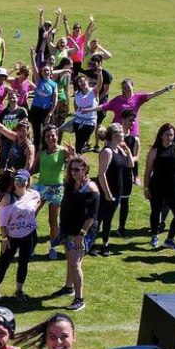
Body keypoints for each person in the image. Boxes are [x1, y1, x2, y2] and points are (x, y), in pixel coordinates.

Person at [56, 156, 99, 312]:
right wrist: (62, 229)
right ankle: (68, 287)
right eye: (71, 169)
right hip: (68, 228)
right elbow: (65, 206)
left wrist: (81, 234)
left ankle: (79, 299)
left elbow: (91, 216)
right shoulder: (70, 184)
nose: (73, 172)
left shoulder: (91, 189)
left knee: (75, 262)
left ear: (85, 170)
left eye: (77, 169)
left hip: (83, 231)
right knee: (69, 257)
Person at [0, 169, 42, 300]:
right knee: (4, 263)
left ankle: (19, 291)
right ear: (14, 182)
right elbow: (2, 222)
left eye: (23, 180)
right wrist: (4, 238)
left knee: (23, 262)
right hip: (11, 237)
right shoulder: (8, 199)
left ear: (28, 182)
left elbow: (36, 205)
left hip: (29, 235)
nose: (20, 183)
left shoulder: (34, 195)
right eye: (17, 180)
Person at [143, 123, 175, 250]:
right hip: (157, 186)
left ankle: (170, 239)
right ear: (161, 136)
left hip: (174, 186)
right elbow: (147, 171)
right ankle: (154, 236)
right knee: (156, 212)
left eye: (172, 135)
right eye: (167, 135)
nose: (169, 137)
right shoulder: (155, 151)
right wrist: (146, 188)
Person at [34, 124, 73, 260]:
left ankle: (53, 248)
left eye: (53, 135)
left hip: (57, 188)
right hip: (41, 187)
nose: (51, 138)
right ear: (44, 138)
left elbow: (74, 166)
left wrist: (72, 155)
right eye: (48, 136)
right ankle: (31, 244)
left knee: (52, 220)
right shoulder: (41, 153)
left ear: (57, 136)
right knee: (30, 215)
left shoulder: (63, 151)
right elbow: (33, 169)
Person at [94, 123, 132, 257]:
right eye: (121, 132)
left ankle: (105, 244)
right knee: (99, 218)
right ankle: (91, 243)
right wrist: (107, 193)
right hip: (106, 190)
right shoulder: (107, 151)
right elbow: (101, 174)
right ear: (114, 135)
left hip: (117, 190)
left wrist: (127, 151)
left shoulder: (118, 149)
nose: (124, 134)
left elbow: (130, 164)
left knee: (109, 218)